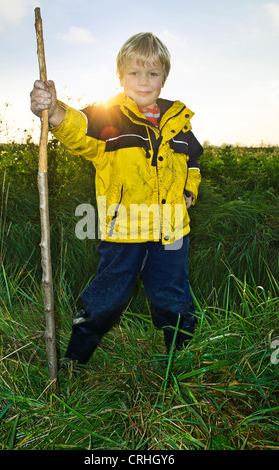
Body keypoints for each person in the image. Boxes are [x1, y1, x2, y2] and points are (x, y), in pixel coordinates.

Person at [30, 32, 203, 366]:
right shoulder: (109, 117)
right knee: (106, 298)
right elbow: (77, 129)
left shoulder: (179, 123)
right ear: (120, 77)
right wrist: (53, 109)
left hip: (171, 231)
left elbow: (193, 160)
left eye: (152, 73)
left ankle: (180, 362)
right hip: (123, 230)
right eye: (134, 73)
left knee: (173, 296)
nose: (143, 81)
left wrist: (189, 190)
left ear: (163, 78)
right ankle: (74, 360)